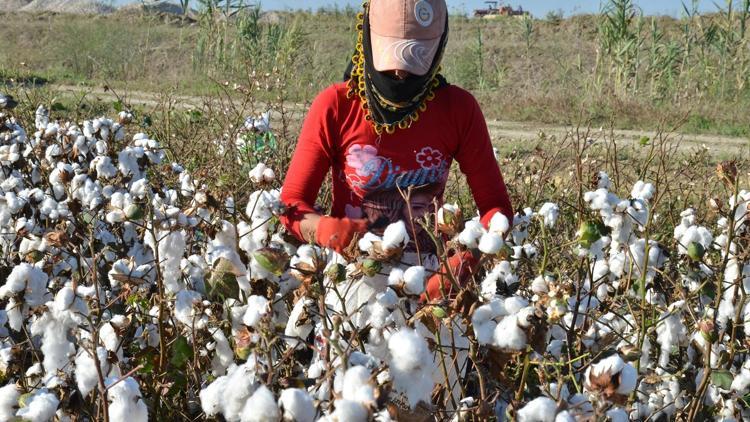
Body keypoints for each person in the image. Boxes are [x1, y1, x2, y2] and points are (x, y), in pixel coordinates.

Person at [279, 0, 513, 300]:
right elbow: (291, 205)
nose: (401, 74)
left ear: (438, 46)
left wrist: (456, 269)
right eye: (391, 61)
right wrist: (328, 230)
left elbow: (497, 210)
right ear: (366, 36)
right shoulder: (336, 106)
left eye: (414, 60)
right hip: (351, 283)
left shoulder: (459, 110)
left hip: (429, 285)